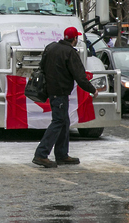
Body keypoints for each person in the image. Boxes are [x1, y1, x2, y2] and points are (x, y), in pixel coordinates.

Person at [32, 27, 98, 168]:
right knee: (59, 122)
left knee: (64, 122)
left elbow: (41, 67)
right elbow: (80, 77)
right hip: (60, 92)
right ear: (74, 39)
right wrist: (92, 90)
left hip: (51, 90)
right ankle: (41, 154)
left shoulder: (51, 48)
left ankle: (62, 154)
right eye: (76, 38)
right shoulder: (70, 53)